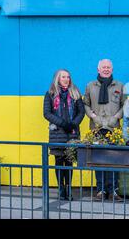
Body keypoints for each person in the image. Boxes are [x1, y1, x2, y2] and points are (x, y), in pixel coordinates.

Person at [83, 59, 125, 202]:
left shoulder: (119, 85)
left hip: (114, 129)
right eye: (103, 67)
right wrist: (93, 116)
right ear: (98, 69)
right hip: (97, 128)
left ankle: (113, 190)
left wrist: (116, 117)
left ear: (112, 70)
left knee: (114, 160)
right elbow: (85, 105)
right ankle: (100, 190)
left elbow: (124, 105)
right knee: (98, 160)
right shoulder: (90, 86)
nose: (106, 69)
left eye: (108, 67)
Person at [43, 68, 85, 201]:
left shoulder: (76, 93)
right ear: (57, 79)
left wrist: (73, 124)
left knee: (69, 162)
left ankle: (69, 189)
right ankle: (61, 189)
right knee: (59, 162)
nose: (66, 79)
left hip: (72, 134)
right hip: (57, 134)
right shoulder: (50, 94)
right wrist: (62, 123)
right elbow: (47, 113)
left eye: (68, 77)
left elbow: (81, 112)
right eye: (63, 77)